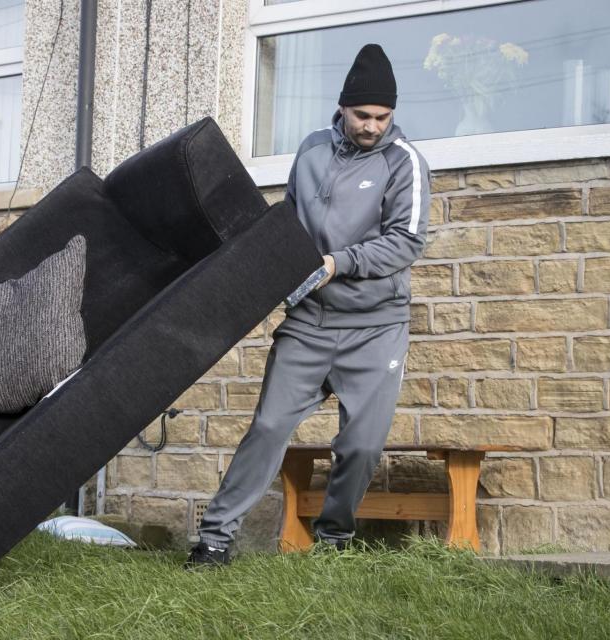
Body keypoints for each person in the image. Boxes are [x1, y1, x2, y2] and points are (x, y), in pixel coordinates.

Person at [185, 43, 431, 568]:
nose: (372, 126)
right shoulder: (312, 150)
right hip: (310, 321)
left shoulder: (403, 162)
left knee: (361, 447)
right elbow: (290, 224)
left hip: (375, 326)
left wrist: (338, 262)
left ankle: (334, 540)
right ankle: (214, 540)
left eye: (383, 117)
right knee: (269, 427)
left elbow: (406, 242)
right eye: (363, 115)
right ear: (343, 107)